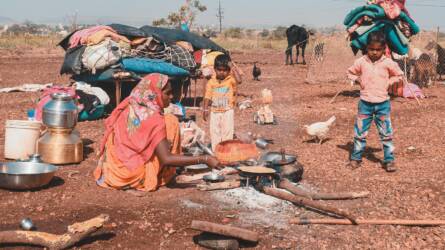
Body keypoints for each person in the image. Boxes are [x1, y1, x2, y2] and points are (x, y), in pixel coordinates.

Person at [94, 73, 220, 192]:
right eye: (167, 93)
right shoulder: (154, 119)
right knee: (171, 121)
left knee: (167, 122)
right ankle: (166, 173)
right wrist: (204, 159)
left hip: (112, 170)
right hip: (131, 175)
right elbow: (166, 158)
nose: (171, 97)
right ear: (154, 94)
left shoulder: (130, 103)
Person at [347, 31, 403, 172]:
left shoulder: (388, 63)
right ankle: (356, 159)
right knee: (360, 133)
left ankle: (389, 160)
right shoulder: (361, 62)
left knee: (386, 133)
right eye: (372, 49)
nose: (374, 52)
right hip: (365, 103)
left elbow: (400, 75)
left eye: (378, 50)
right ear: (367, 48)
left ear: (384, 49)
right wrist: (357, 79)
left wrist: (389, 82)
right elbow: (350, 72)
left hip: (382, 104)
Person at [202, 54, 242, 150]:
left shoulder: (230, 79)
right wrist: (205, 108)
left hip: (228, 111)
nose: (222, 73)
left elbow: (239, 81)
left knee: (227, 132)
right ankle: (216, 152)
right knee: (215, 132)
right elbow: (207, 95)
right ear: (215, 69)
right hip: (215, 112)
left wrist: (232, 67)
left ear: (228, 70)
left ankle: (226, 152)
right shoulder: (211, 82)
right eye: (219, 70)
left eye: (225, 70)